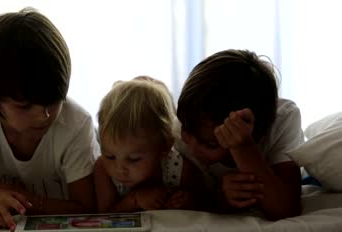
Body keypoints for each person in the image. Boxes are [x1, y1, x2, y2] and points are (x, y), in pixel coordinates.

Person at [0, 7, 100, 231]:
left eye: (53, 101)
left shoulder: (75, 125)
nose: (44, 115)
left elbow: (88, 209)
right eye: (25, 106)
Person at [176, 49, 304, 220]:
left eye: (210, 144)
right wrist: (221, 199)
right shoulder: (190, 120)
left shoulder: (283, 118)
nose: (191, 147)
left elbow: (285, 209)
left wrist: (243, 147)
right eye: (186, 131)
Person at [94, 76, 204, 213]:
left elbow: (207, 204)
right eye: (109, 156)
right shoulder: (103, 169)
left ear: (165, 147)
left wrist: (189, 201)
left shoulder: (179, 169)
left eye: (133, 159)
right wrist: (134, 200)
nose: (119, 168)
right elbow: (105, 216)